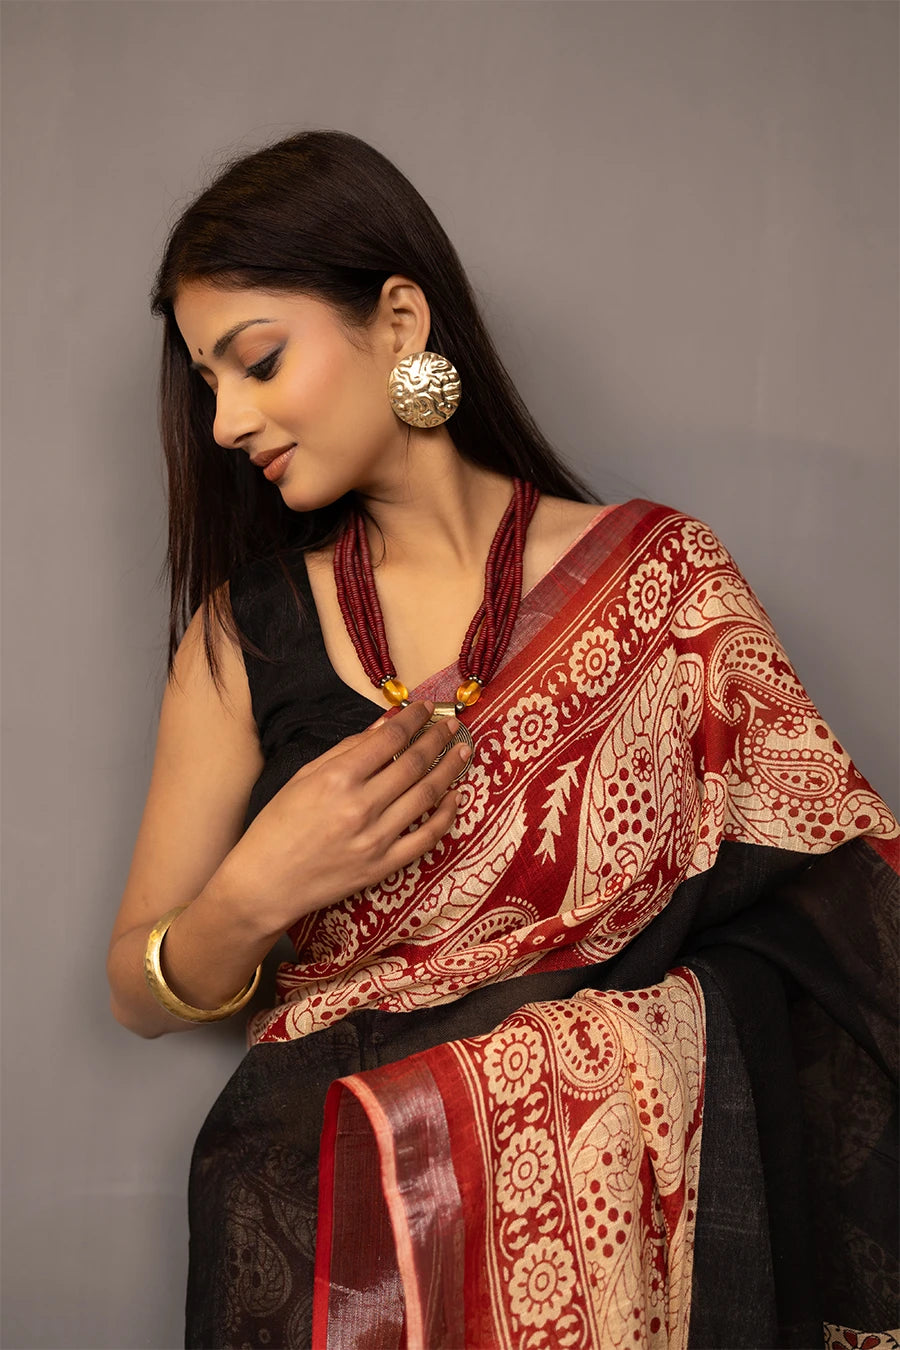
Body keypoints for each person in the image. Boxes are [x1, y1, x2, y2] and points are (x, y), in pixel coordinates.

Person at [107, 129, 898, 1350]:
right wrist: (258, 890)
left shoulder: (666, 586)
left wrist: (586, 1052)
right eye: (207, 382)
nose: (224, 421)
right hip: (318, 1232)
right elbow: (140, 986)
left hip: (623, 1258)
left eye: (255, 362)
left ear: (401, 318)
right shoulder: (241, 638)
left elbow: (844, 920)